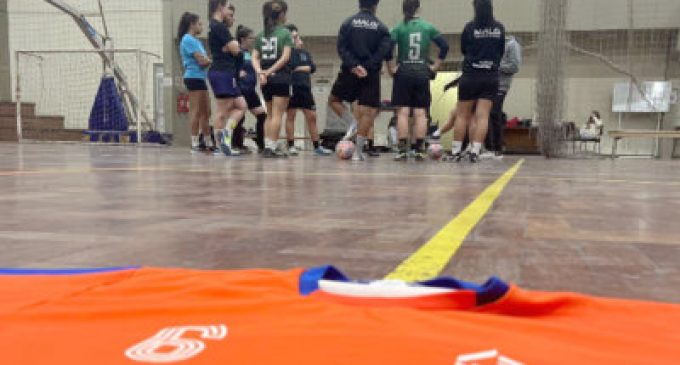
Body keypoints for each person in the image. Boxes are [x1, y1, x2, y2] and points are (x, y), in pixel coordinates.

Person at [327, 0, 393, 161]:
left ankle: (351, 122)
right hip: (370, 74)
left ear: (359, 4)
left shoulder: (348, 23)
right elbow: (382, 52)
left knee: (334, 100)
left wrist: (354, 65)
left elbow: (342, 48)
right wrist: (367, 67)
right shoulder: (382, 28)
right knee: (367, 112)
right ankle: (358, 152)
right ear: (375, 6)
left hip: (350, 70)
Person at [388, 0, 449, 161]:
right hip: (422, 73)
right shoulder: (428, 27)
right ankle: (419, 150)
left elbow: (388, 48)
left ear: (403, 10)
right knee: (421, 113)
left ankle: (402, 150)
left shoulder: (398, 28)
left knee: (402, 112)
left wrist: (391, 68)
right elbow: (445, 46)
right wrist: (435, 66)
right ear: (418, 8)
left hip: (403, 73)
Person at [450, 0, 505, 163]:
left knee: (462, 115)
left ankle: (456, 152)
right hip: (490, 76)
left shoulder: (469, 27)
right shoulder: (499, 28)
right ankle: (475, 152)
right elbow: (500, 51)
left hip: (471, 75)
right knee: (483, 116)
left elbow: (464, 49)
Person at [252, 0, 294, 158]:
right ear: (281, 14)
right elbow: (285, 57)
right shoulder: (285, 33)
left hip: (265, 79)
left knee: (269, 114)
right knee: (277, 115)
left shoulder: (260, 35)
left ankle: (267, 146)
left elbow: (255, 58)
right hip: (281, 76)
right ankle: (271, 147)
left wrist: (261, 73)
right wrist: (269, 71)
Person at [284, 24, 332, 156]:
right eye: (294, 37)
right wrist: (302, 67)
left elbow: (312, 68)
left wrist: (300, 68)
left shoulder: (305, 53)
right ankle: (290, 146)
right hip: (292, 87)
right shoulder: (286, 53)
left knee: (312, 116)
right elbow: (290, 67)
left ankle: (317, 147)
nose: (298, 39)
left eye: (298, 36)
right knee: (291, 116)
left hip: (305, 88)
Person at [208, 0, 247, 156]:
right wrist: (233, 46)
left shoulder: (219, 27)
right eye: (227, 8)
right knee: (222, 110)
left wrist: (232, 47)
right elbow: (236, 50)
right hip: (222, 72)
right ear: (220, 8)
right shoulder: (219, 26)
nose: (230, 13)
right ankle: (219, 145)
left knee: (241, 105)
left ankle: (226, 135)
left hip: (227, 72)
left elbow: (234, 50)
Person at [177, 12, 214, 153]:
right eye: (199, 24)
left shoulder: (196, 41)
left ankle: (208, 142)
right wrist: (211, 60)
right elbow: (202, 61)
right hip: (193, 77)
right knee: (196, 111)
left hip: (200, 78)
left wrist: (208, 60)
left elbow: (205, 59)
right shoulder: (187, 39)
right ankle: (194, 142)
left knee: (207, 111)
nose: (201, 26)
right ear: (192, 24)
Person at [483, 34, 521, 159]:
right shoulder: (490, 44)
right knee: (485, 113)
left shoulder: (512, 44)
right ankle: (488, 147)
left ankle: (497, 148)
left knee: (494, 112)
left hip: (501, 85)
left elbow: (514, 67)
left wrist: (496, 67)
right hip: (488, 83)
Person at [235, 25, 268, 153]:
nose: (253, 40)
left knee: (262, 116)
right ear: (243, 39)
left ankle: (261, 143)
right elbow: (230, 67)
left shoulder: (249, 53)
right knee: (239, 118)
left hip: (251, 91)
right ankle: (237, 144)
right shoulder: (237, 52)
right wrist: (237, 72)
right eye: (251, 38)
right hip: (241, 90)